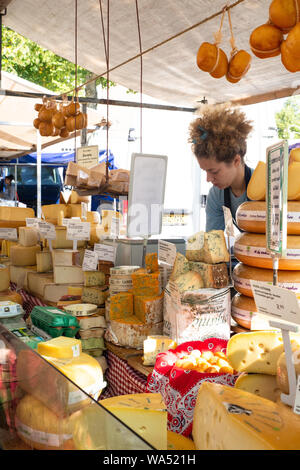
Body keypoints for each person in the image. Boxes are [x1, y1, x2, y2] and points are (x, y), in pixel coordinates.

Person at [189, 104, 253, 232]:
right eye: (205, 171)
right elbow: (212, 240)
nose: (208, 179)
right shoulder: (217, 195)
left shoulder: (267, 189)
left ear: (236, 160)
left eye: (214, 171)